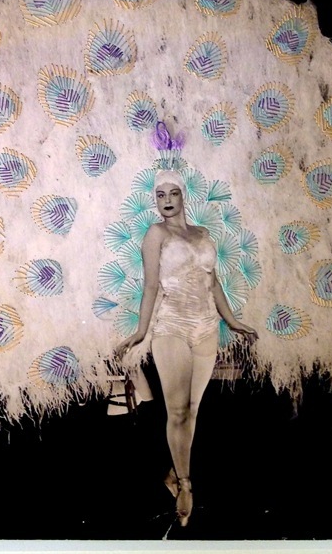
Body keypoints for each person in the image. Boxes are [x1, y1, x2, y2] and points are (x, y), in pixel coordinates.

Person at [115, 169, 258, 527]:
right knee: (177, 412)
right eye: (160, 194)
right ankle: (185, 485)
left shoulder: (203, 234)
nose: (166, 200)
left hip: (206, 327)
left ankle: (173, 472)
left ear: (183, 195)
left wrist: (232, 321)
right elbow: (151, 287)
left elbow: (214, 283)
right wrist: (141, 331)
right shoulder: (156, 234)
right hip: (172, 328)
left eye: (173, 193)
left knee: (192, 411)